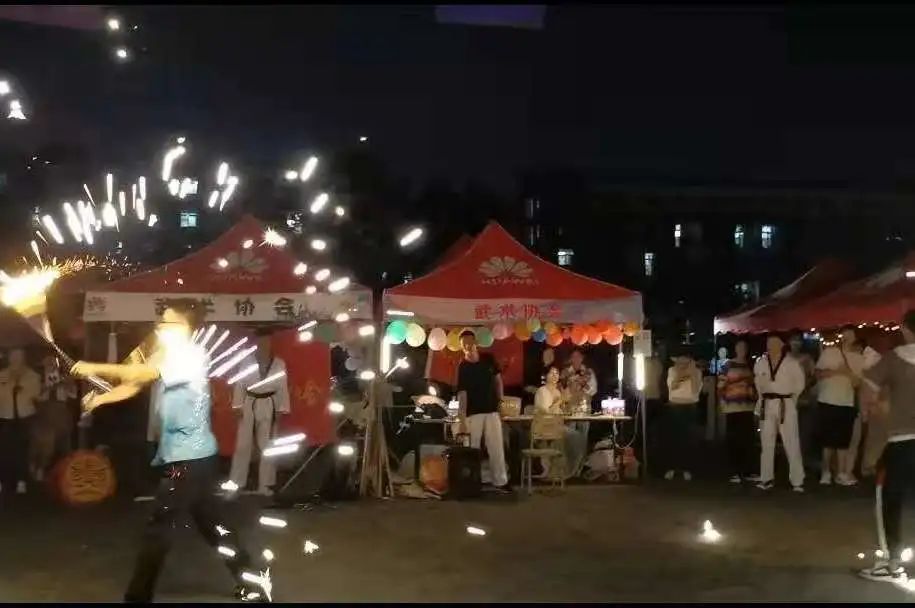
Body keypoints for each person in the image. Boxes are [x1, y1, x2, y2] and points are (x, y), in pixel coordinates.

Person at [71, 303, 261, 602]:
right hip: (191, 456)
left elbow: (144, 371)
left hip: (189, 458)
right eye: (161, 322)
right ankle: (253, 581)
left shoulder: (191, 356)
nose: (160, 327)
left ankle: (137, 596)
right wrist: (101, 400)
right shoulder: (166, 354)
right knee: (213, 525)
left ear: (185, 328)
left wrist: (92, 367)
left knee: (159, 527)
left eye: (168, 323)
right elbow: (135, 383)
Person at [858, 309, 915, 581]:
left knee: (889, 498)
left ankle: (892, 564)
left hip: (902, 440)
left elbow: (867, 389)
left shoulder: (894, 358)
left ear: (905, 329)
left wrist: (878, 409)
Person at [229, 329, 290, 496]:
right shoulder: (246, 362)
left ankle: (266, 484)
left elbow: (282, 387)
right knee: (243, 445)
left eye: (267, 342)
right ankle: (237, 483)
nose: (264, 345)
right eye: (262, 342)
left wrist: (281, 409)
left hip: (269, 404)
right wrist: (237, 406)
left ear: (271, 343)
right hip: (249, 402)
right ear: (256, 343)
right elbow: (240, 384)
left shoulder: (278, 363)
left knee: (267, 446)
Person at [456, 330, 510, 492]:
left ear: (475, 343)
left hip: (492, 410)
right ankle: (472, 481)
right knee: (472, 449)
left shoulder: (488, 359)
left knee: (496, 447)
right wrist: (462, 419)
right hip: (473, 413)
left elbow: (498, 381)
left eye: (469, 342)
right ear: (461, 347)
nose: (467, 346)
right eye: (464, 344)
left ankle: (500, 481)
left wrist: (501, 402)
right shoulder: (463, 367)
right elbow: (462, 394)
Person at [754, 333, 806, 492]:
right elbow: (758, 384)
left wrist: (791, 400)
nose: (771, 346)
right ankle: (766, 478)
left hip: (785, 402)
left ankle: (797, 480)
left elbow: (800, 384)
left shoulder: (791, 363)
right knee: (766, 442)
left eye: (774, 343)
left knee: (791, 441)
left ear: (782, 345)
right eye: (769, 343)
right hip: (767, 402)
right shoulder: (761, 362)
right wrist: (760, 403)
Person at [816, 326, 865, 486]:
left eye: (850, 335)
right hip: (827, 400)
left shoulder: (859, 359)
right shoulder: (829, 353)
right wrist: (835, 372)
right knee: (828, 441)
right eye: (845, 334)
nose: (847, 337)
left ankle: (841, 473)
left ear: (855, 337)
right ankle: (825, 472)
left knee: (843, 441)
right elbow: (818, 374)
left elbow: (858, 383)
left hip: (847, 403)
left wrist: (847, 373)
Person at [533, 366, 587, 479]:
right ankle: (564, 471)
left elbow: (560, 411)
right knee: (575, 436)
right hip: (545, 426)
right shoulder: (542, 391)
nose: (554, 375)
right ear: (546, 376)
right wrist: (561, 399)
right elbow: (547, 412)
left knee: (579, 434)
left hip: (557, 425)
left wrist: (568, 406)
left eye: (556, 373)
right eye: (551, 373)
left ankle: (575, 469)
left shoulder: (557, 391)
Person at [0, 348, 42, 495]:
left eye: (19, 356)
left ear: (24, 358)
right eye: (13, 356)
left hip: (25, 417)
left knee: (22, 450)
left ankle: (22, 481)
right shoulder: (2, 375)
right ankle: (3, 480)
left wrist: (22, 389)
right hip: (5, 417)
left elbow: (36, 394)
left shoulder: (32, 376)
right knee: (5, 450)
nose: (16, 359)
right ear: (9, 358)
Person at [30, 355, 78, 482]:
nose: (51, 365)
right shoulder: (38, 378)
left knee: (64, 444)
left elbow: (73, 394)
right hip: (45, 414)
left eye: (53, 363)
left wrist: (66, 384)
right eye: (48, 363)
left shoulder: (65, 377)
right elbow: (35, 397)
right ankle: (40, 469)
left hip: (62, 413)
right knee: (45, 445)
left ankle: (64, 474)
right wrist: (47, 388)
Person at [717, 339, 758, 483]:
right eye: (739, 347)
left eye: (744, 347)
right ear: (735, 349)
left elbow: (754, 386)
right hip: (732, 408)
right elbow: (720, 385)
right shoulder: (728, 365)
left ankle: (747, 470)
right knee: (733, 439)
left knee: (747, 439)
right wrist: (722, 403)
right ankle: (734, 471)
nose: (742, 350)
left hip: (747, 407)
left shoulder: (750, 365)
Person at [663, 352, 702, 481]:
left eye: (685, 362)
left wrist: (692, 372)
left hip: (690, 407)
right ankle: (672, 468)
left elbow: (696, 390)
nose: (682, 365)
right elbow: (673, 386)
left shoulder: (696, 372)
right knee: (673, 439)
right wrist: (682, 373)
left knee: (689, 440)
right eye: (680, 362)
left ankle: (687, 468)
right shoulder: (672, 371)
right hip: (675, 406)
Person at [788, 332, 818, 469]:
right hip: (789, 402)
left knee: (804, 434)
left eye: (798, 341)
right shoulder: (785, 358)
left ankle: (801, 462)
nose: (796, 343)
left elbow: (814, 377)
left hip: (805, 401)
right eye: (793, 340)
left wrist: (805, 384)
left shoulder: (807, 359)